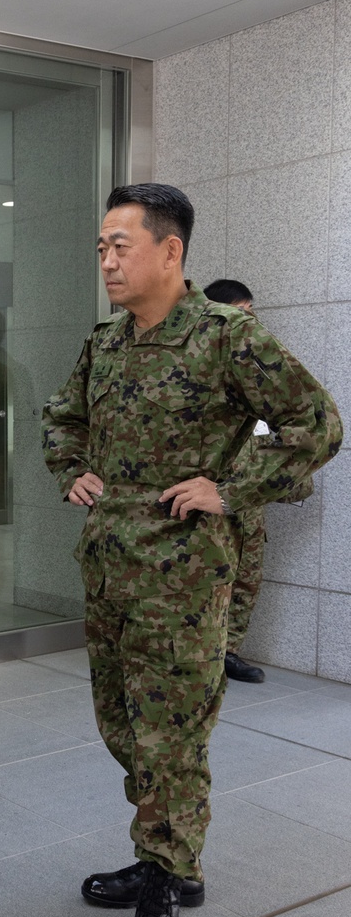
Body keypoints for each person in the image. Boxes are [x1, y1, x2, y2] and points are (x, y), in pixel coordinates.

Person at [42, 184, 341, 917]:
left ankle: (165, 892)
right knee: (125, 730)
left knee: (173, 740)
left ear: (169, 252)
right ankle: (166, 860)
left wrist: (230, 487)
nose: (105, 260)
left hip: (182, 583)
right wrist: (73, 470)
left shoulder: (225, 337)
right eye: (100, 247)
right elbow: (60, 417)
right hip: (109, 572)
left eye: (119, 245)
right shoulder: (105, 343)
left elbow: (317, 424)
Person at [203, 279, 267, 684]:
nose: (250, 324)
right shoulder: (199, 364)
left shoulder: (257, 370)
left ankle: (229, 652)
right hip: (210, 499)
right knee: (211, 582)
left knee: (247, 576)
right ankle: (205, 656)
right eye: (242, 314)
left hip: (248, 499)